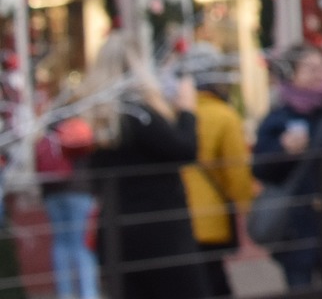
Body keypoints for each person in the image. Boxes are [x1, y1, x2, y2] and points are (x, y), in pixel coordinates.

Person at [82, 32, 209, 299]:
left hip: (118, 231)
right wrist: (187, 110)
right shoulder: (138, 114)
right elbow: (184, 150)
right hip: (160, 233)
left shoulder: (100, 117)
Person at [254, 44, 322, 288]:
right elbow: (260, 169)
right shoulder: (279, 118)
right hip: (295, 229)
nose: (319, 73)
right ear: (291, 75)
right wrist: (283, 151)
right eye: (309, 68)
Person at [180, 51, 252, 296]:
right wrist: (244, 204)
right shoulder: (224, 115)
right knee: (213, 280)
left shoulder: (173, 114)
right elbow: (236, 169)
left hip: (176, 212)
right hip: (211, 213)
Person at [35, 92, 98, 299]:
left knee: (61, 244)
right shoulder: (79, 129)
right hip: (78, 191)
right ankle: (87, 293)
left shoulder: (47, 135)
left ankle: (65, 294)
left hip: (53, 194)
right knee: (81, 244)